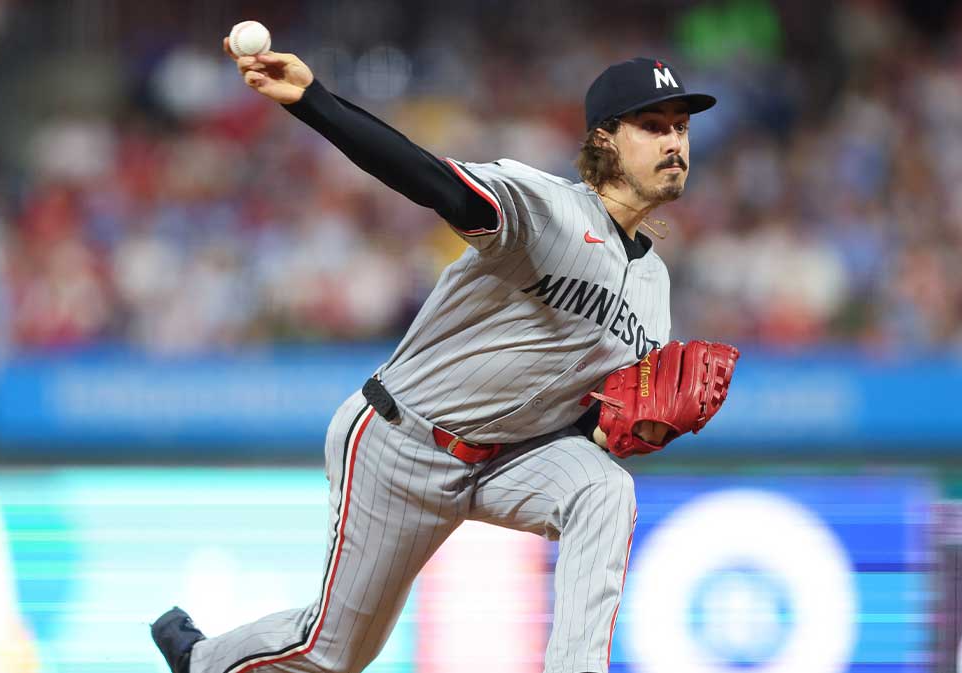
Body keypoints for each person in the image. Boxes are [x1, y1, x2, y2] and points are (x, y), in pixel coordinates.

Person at [150, 35, 717, 673]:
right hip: (403, 443)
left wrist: (624, 429)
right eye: (653, 126)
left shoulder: (656, 290)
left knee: (604, 491)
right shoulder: (547, 209)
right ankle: (201, 660)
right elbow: (425, 178)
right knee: (331, 653)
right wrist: (313, 101)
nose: (675, 142)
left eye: (681, 127)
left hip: (508, 459)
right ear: (607, 139)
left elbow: (586, 417)